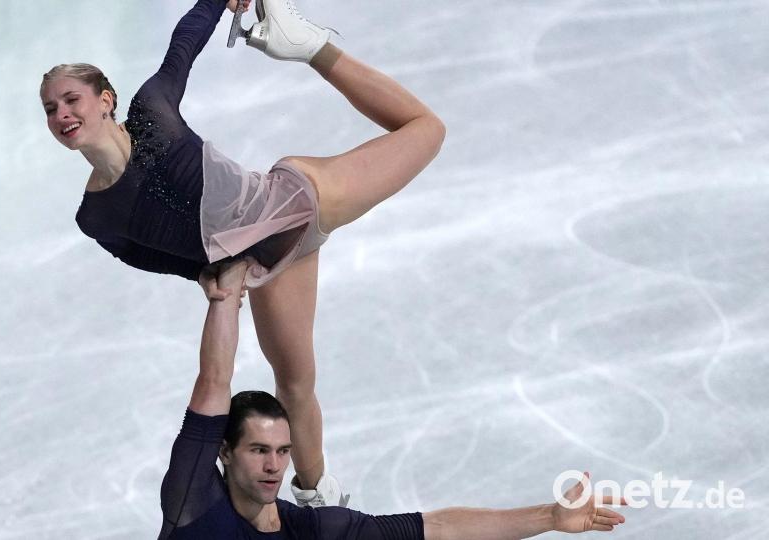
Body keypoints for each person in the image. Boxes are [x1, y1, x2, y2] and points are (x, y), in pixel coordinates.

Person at [40, 0, 445, 505]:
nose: (62, 114)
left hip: (298, 201)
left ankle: (310, 47)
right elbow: (145, 255)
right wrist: (206, 273)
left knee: (426, 129)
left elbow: (184, 44)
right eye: (51, 109)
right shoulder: (95, 217)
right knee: (295, 385)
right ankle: (319, 499)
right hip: (267, 266)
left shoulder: (151, 111)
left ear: (106, 100)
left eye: (71, 100)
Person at [160, 259, 627, 539]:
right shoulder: (194, 501)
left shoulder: (310, 530)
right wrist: (225, 295)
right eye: (259, 450)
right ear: (224, 451)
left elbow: (438, 528)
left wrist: (549, 516)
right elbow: (214, 381)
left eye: (283, 451)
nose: (274, 466)